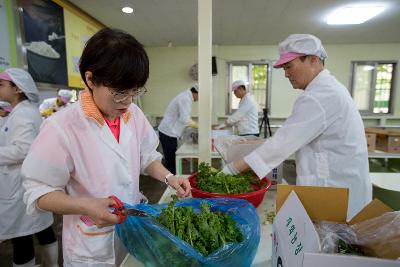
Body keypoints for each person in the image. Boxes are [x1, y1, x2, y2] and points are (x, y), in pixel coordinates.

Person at [21, 28, 191, 266]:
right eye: (120, 93)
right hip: (90, 247)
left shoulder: (132, 113)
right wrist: (86, 205)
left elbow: (146, 157)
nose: (128, 101)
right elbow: (38, 192)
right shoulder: (61, 127)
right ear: (90, 80)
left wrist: (169, 177)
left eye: (135, 91)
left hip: (131, 231)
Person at [222, 34, 371, 219]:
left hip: (335, 188)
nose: (286, 73)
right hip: (340, 185)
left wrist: (232, 169)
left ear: (313, 60)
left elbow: (282, 143)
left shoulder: (319, 96)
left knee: (333, 242)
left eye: (289, 66)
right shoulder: (327, 89)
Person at [0, 68, 58, 267]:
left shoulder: (23, 114)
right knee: (40, 228)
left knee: (21, 235)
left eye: (2, 85)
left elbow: (22, 150)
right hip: (25, 181)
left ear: (17, 88)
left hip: (20, 184)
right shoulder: (21, 112)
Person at [158, 84, 199, 174]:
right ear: (196, 93)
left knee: (171, 158)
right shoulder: (185, 98)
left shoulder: (186, 97)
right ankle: (171, 181)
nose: (199, 99)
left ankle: (171, 178)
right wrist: (197, 125)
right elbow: (185, 119)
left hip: (169, 132)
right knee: (171, 159)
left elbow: (184, 117)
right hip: (168, 132)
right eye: (200, 96)